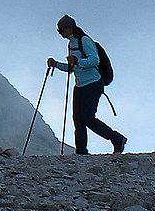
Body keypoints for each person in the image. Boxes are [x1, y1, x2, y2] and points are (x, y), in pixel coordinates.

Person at [49, 15, 126, 155]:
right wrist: (57, 65)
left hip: (93, 83)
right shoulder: (71, 44)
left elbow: (94, 60)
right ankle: (81, 152)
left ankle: (117, 138)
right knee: (78, 119)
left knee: (87, 118)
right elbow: (73, 67)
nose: (61, 33)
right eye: (59, 31)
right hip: (80, 85)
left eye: (62, 30)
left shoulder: (84, 40)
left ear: (70, 28)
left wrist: (77, 60)